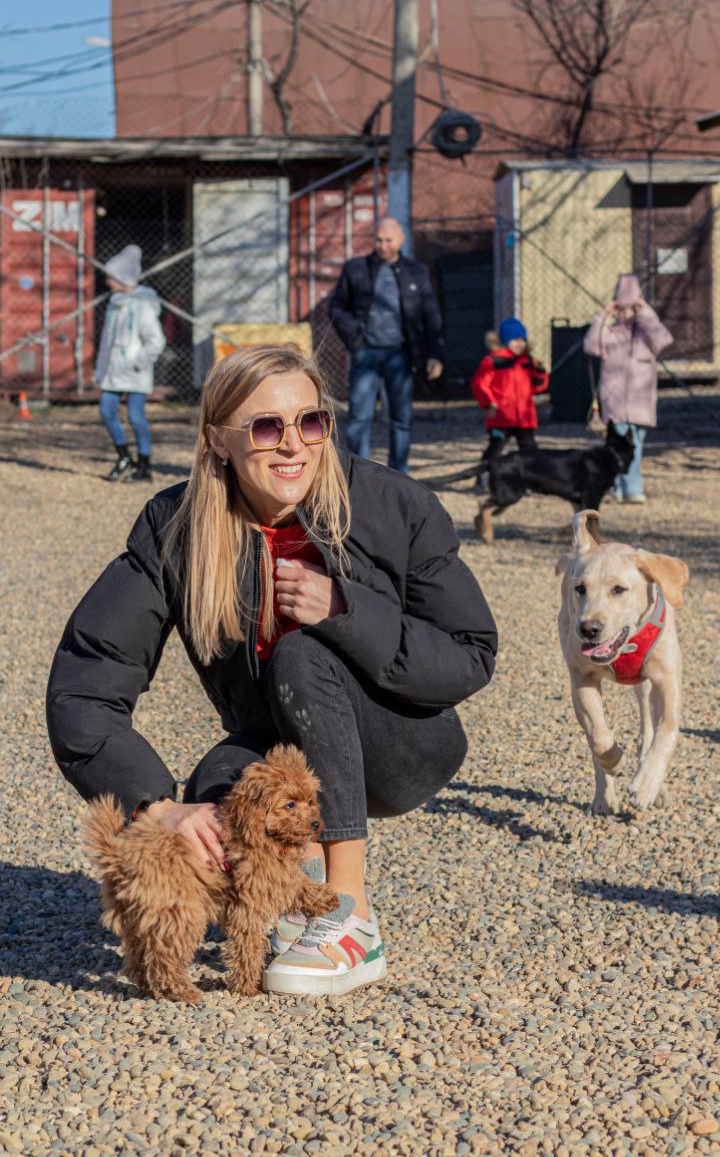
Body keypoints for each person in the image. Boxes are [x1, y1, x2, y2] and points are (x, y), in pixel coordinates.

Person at [47, 344, 498, 997]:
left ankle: (347, 916)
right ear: (219, 441)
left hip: (402, 744)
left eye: (310, 422)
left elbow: (470, 651)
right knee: (215, 790)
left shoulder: (391, 506)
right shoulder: (176, 527)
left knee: (303, 650)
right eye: (266, 427)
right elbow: (86, 683)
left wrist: (345, 611)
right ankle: (290, 898)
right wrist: (159, 807)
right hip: (283, 743)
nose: (293, 445)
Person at [329, 217, 444, 473]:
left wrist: (435, 354)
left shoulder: (417, 272)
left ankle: (398, 474)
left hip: (400, 354)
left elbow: (431, 315)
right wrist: (354, 338)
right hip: (366, 353)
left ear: (401, 240)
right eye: (379, 240)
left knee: (401, 419)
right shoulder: (356, 269)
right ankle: (358, 475)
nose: (383, 246)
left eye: (389, 240)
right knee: (359, 418)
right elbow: (337, 307)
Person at [583, 274, 673, 505]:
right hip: (615, 400)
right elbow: (592, 345)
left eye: (630, 308)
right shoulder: (613, 334)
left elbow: (663, 339)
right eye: (621, 308)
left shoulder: (647, 335)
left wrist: (644, 312)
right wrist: (603, 315)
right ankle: (622, 488)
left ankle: (628, 487)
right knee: (616, 445)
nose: (625, 313)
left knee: (636, 446)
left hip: (640, 401)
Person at [95, 244, 166, 483]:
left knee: (136, 418)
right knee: (106, 410)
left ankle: (144, 466)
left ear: (123, 277)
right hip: (113, 371)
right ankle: (123, 456)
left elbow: (156, 341)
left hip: (135, 371)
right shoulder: (115, 304)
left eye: (111, 276)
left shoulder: (143, 305)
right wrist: (101, 369)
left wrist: (138, 363)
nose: (107, 281)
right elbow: (107, 342)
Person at [470, 317, 549, 466]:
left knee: (530, 449)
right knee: (495, 448)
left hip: (524, 417)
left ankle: (533, 478)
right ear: (505, 341)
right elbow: (479, 383)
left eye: (522, 340)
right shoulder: (494, 361)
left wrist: (540, 371)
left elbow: (539, 386)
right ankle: (484, 477)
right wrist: (489, 403)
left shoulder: (527, 361)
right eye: (515, 340)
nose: (520, 343)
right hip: (501, 416)